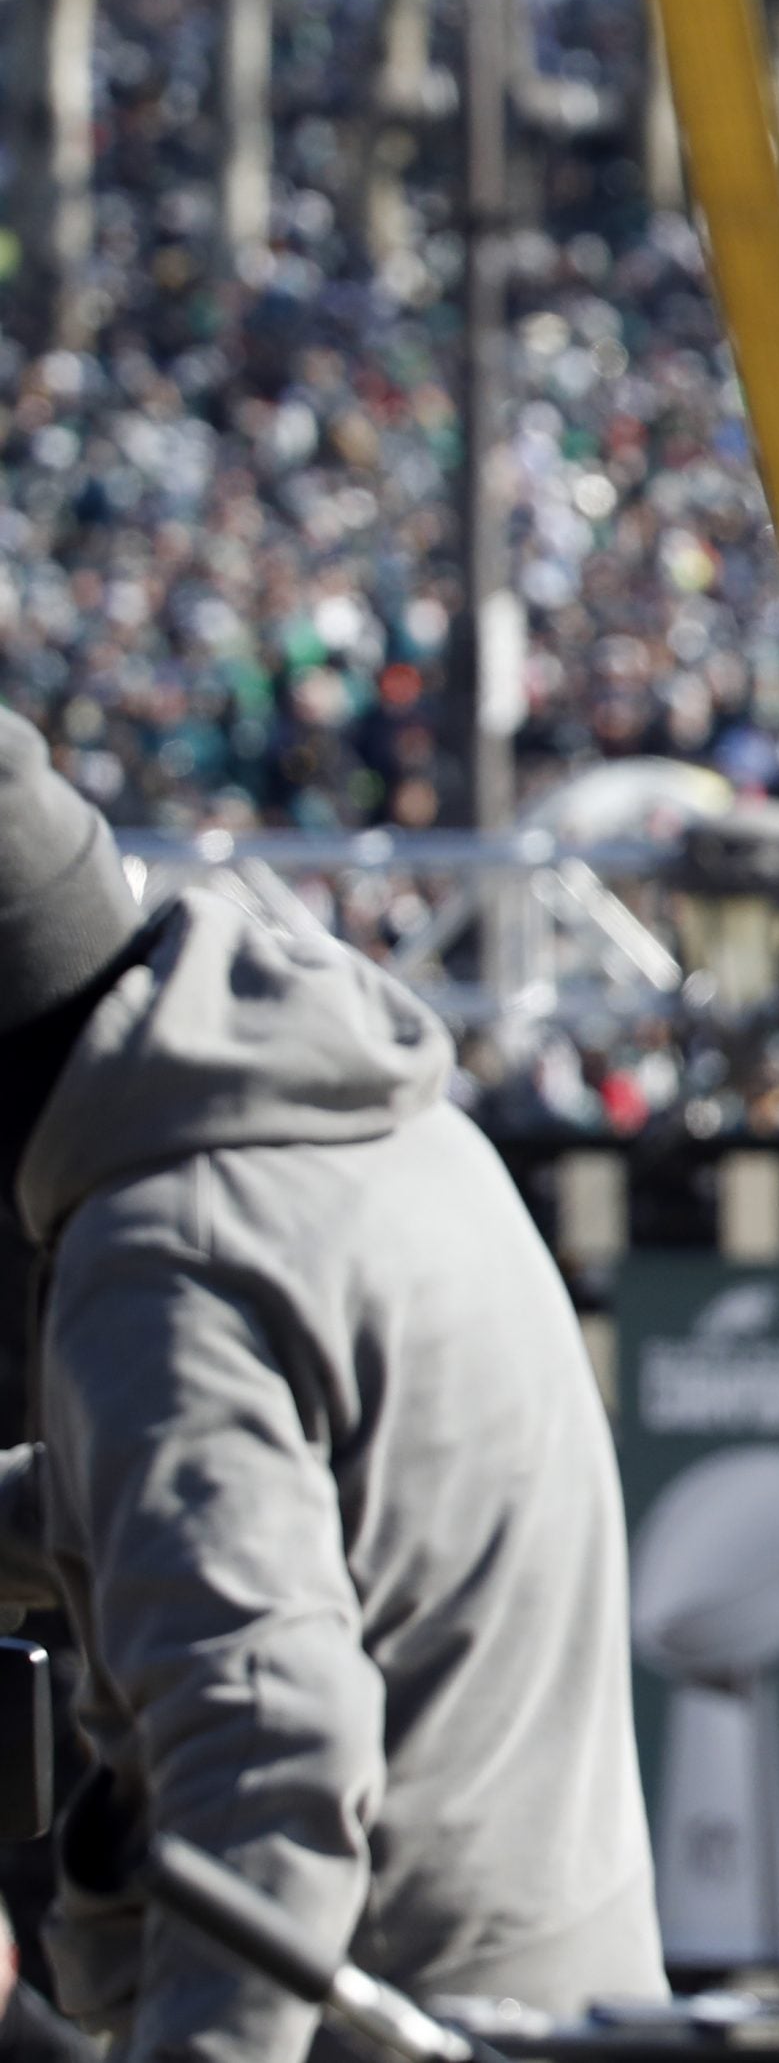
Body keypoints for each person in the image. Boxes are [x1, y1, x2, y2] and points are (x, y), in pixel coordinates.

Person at [0, 712, 661, 2061]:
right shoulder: (364, 1121)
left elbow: (266, 1761)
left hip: (385, 2019)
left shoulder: (165, 1247)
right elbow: (279, 1500)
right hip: (561, 1998)